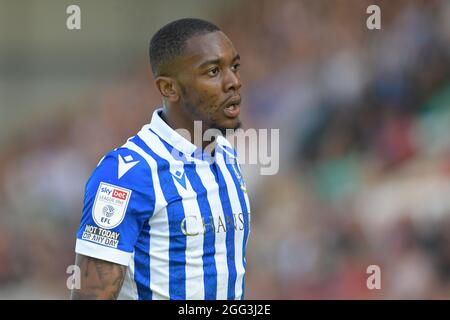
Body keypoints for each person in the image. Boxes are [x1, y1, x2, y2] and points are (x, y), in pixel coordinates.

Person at [71, 18, 251, 300]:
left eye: (235, 67)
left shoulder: (226, 156)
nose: (234, 82)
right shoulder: (126, 175)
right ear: (168, 88)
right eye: (214, 71)